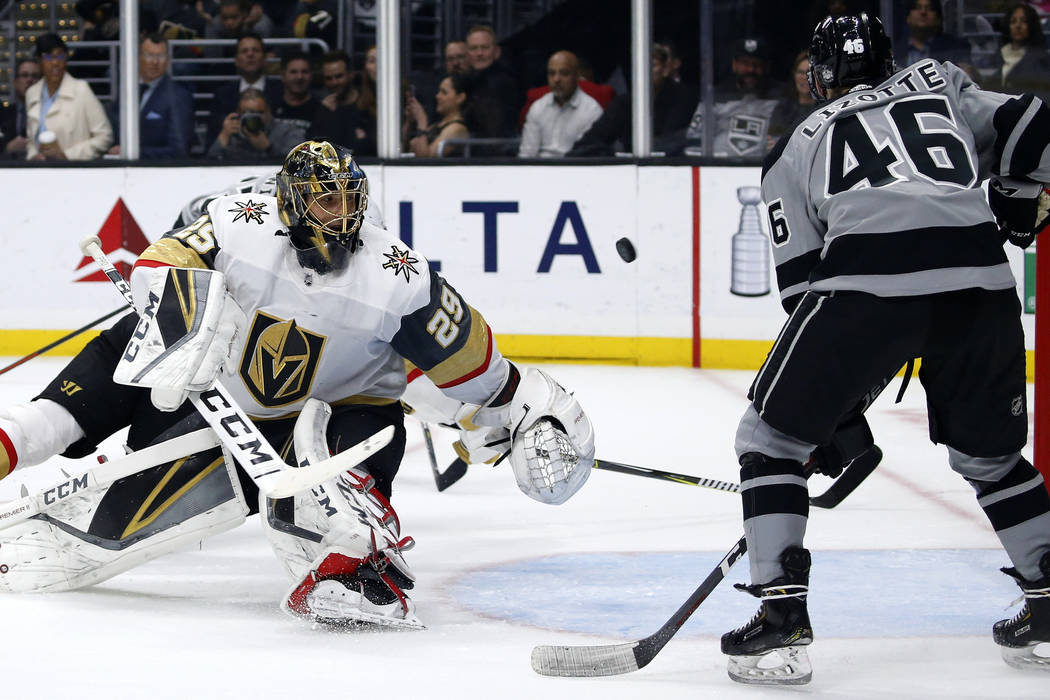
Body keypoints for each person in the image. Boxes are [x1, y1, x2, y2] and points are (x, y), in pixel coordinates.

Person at [0, 140, 596, 632]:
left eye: (347, 201)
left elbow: (477, 371)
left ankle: (354, 557)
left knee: (334, 459)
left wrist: (516, 414)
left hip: (316, 414)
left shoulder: (399, 277)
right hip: (206, 389)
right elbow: (161, 262)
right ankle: (11, 442)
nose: (340, 216)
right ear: (288, 202)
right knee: (96, 380)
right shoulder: (239, 224)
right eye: (324, 200)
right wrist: (193, 315)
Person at [720, 13, 1050, 685]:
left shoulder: (795, 146)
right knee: (989, 457)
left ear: (823, 74)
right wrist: (1018, 192)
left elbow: (806, 297)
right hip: (982, 285)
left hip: (865, 288)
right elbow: (1037, 127)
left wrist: (834, 415)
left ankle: (780, 623)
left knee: (769, 439)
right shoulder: (942, 84)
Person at [568, 39, 696, 156]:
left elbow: (672, 142)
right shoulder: (624, 103)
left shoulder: (684, 97)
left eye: (652, 65)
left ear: (665, 70)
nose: (644, 71)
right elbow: (590, 141)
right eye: (639, 66)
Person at [684, 36, 781, 159]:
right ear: (734, 65)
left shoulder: (781, 97)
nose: (751, 69)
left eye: (757, 64)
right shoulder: (715, 97)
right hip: (717, 169)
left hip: (764, 169)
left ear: (766, 67)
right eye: (745, 63)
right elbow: (695, 138)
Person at [24, 33, 113, 161]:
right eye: (49, 57)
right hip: (41, 172)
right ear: (39, 61)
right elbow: (31, 140)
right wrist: (33, 156)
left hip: (74, 172)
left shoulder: (81, 89)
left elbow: (105, 137)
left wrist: (67, 156)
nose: (55, 62)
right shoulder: (32, 93)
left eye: (60, 56)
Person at [107, 33, 194, 160]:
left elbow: (179, 150)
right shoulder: (127, 91)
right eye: (149, 55)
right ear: (138, 57)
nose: (155, 62)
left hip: (160, 174)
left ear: (168, 60)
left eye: (161, 56)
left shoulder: (178, 96)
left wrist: (134, 153)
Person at [518, 50, 604, 158]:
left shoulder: (592, 111)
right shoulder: (538, 107)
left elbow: (589, 158)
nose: (556, 79)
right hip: (540, 171)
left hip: (575, 170)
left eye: (564, 73)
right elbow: (527, 155)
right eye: (552, 73)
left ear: (577, 76)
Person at [206, 33, 283, 147]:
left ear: (265, 59)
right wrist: (225, 133)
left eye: (255, 50)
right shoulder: (222, 95)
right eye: (244, 51)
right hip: (232, 159)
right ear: (236, 60)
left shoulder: (280, 91)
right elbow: (210, 143)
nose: (250, 54)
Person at [207, 88, 304, 161]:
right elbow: (210, 163)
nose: (253, 118)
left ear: (268, 112)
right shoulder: (232, 133)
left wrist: (269, 148)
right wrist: (224, 135)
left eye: (259, 113)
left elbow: (299, 160)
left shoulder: (287, 130)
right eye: (247, 113)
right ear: (238, 113)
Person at [311, 51, 376, 156]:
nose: (334, 82)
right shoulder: (322, 109)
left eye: (339, 76)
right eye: (329, 78)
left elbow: (372, 147)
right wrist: (326, 114)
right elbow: (316, 150)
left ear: (351, 75)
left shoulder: (367, 104)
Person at [464, 25, 520, 141]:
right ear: (467, 53)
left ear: (496, 52)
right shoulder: (466, 81)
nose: (479, 53)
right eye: (474, 48)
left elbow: (496, 130)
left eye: (485, 47)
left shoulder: (504, 83)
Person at [990, 3, 1050, 104]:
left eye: (1024, 21)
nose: (1018, 26)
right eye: (1013, 22)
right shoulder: (998, 56)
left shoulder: (1042, 59)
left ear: (1032, 25)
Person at [403, 74, 471, 157]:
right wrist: (409, 122)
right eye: (439, 92)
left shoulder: (457, 129)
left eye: (444, 92)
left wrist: (421, 120)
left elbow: (426, 159)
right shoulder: (436, 126)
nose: (437, 96)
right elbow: (405, 150)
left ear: (460, 98)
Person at [902, 0, 973, 67]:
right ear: (908, 17)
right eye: (917, 7)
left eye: (930, 8)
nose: (923, 12)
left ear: (938, 19)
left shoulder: (955, 47)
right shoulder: (895, 49)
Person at [768, 51, 817, 145]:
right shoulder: (782, 108)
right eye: (800, 72)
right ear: (794, 75)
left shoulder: (825, 108)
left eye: (809, 72)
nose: (804, 77)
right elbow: (773, 140)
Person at [0, 59, 41, 160]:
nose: (29, 80)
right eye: (24, 75)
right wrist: (8, 148)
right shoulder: (3, 114)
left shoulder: (51, 112)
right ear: (15, 82)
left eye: (34, 76)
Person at [271, 50, 320, 135]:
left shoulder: (321, 109)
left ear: (311, 75)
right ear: (283, 76)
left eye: (304, 72)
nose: (299, 77)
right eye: (293, 72)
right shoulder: (271, 106)